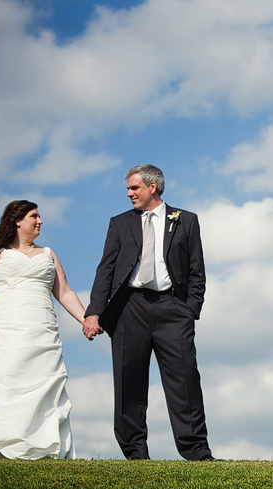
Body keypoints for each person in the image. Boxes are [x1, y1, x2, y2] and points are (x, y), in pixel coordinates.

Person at [84, 164, 215, 460]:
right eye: (129, 189)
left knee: (185, 381)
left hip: (173, 309)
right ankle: (135, 454)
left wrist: (189, 309)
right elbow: (105, 270)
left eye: (134, 188)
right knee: (128, 382)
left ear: (152, 187)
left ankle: (196, 452)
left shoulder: (186, 221)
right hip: (129, 309)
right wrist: (94, 312)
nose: (129, 194)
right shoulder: (119, 223)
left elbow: (197, 271)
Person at [0, 200, 85, 459]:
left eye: (40, 216)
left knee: (37, 378)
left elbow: (64, 292)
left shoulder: (49, 254)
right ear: (17, 220)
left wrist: (86, 320)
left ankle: (37, 445)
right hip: (1, 326)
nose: (40, 221)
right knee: (0, 379)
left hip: (40, 327)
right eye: (34, 216)